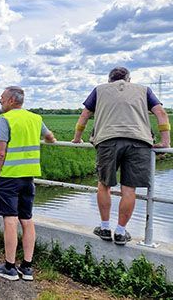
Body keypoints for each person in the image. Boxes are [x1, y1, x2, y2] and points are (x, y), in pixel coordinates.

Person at [72, 67, 170, 245]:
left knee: (104, 184)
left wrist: (77, 138)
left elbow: (85, 115)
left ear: (109, 80)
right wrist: (165, 142)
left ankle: (104, 227)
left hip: (107, 140)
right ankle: (120, 232)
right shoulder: (144, 90)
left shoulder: (99, 90)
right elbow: (161, 113)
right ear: (129, 79)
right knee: (129, 188)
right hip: (139, 142)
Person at [0, 86, 56, 281]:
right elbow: (50, 138)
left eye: (1, 98)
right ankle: (27, 267)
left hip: (8, 176)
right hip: (28, 177)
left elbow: (0, 152)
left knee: (10, 219)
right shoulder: (36, 119)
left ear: (10, 101)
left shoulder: (5, 119)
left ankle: (9, 267)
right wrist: (51, 140)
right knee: (26, 219)